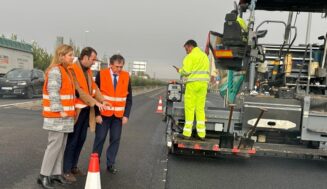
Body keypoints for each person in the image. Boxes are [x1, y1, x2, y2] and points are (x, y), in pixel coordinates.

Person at [63, 47, 109, 182]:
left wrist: (103, 100)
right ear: (85, 57)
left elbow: (95, 88)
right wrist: (95, 103)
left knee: (81, 139)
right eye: (93, 59)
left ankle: (73, 167)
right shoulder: (72, 69)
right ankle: (66, 170)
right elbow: (79, 91)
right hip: (76, 111)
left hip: (85, 111)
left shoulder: (88, 71)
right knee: (73, 140)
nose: (94, 62)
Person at [38, 44, 75, 189]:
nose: (72, 57)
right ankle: (44, 175)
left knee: (61, 146)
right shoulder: (55, 71)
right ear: (61, 56)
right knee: (54, 146)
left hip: (64, 117)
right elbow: (53, 92)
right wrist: (60, 110)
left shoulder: (66, 71)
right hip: (56, 116)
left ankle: (55, 173)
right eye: (70, 55)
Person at [92, 54, 132, 174]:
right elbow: (95, 95)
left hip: (118, 117)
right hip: (103, 115)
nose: (119, 69)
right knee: (100, 138)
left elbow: (129, 98)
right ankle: (95, 163)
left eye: (121, 66)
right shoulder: (101, 74)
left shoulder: (126, 76)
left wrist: (126, 115)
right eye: (117, 66)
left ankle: (111, 164)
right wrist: (97, 114)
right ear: (110, 65)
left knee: (115, 139)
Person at [174, 40, 210, 140]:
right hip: (203, 85)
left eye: (186, 48)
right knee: (200, 109)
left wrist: (180, 70)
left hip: (193, 84)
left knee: (190, 108)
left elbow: (186, 71)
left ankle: (187, 133)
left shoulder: (190, 57)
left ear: (190, 46)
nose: (185, 50)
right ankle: (201, 134)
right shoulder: (204, 57)